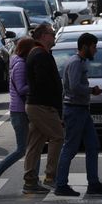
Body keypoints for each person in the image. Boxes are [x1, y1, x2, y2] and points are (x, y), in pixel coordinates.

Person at [54, 33, 102, 197]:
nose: (95, 50)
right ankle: (61, 184)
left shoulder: (80, 62)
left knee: (93, 145)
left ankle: (93, 183)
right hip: (74, 110)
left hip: (81, 109)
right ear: (85, 46)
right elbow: (73, 87)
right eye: (94, 47)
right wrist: (91, 90)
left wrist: (90, 91)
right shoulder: (75, 63)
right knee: (70, 148)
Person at [0, 37, 33, 194]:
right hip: (19, 111)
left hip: (21, 111)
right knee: (22, 149)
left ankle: (32, 179)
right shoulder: (20, 65)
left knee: (32, 147)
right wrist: (36, 84)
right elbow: (21, 88)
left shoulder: (20, 63)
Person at [22, 23, 64, 194]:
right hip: (41, 105)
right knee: (58, 136)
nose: (54, 36)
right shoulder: (40, 54)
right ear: (43, 36)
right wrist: (54, 106)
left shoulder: (39, 53)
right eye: (52, 34)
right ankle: (50, 176)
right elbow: (43, 83)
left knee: (35, 142)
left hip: (37, 104)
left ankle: (30, 180)